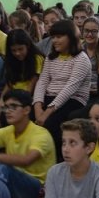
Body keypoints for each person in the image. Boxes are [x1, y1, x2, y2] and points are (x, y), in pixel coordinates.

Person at [0, 90, 56, 198]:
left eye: (13, 107)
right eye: (6, 107)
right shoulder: (8, 131)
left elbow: (26, 160)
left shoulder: (41, 134)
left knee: (3, 168)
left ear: (27, 110)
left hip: (37, 194)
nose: (8, 111)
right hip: (16, 188)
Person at [34, 20, 93, 152]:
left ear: (71, 38)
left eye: (59, 37)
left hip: (72, 100)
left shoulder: (81, 59)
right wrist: (37, 106)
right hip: (50, 97)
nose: (55, 40)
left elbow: (69, 89)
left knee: (50, 123)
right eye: (53, 37)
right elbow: (42, 81)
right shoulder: (51, 57)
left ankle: (54, 156)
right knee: (24, 111)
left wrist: (46, 113)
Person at [0, 29, 43, 120]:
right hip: (13, 95)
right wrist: (1, 101)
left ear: (28, 46)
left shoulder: (37, 59)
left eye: (21, 49)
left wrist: (14, 104)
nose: (17, 53)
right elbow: (10, 83)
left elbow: (31, 86)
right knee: (0, 111)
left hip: (28, 98)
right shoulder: (11, 60)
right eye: (14, 50)